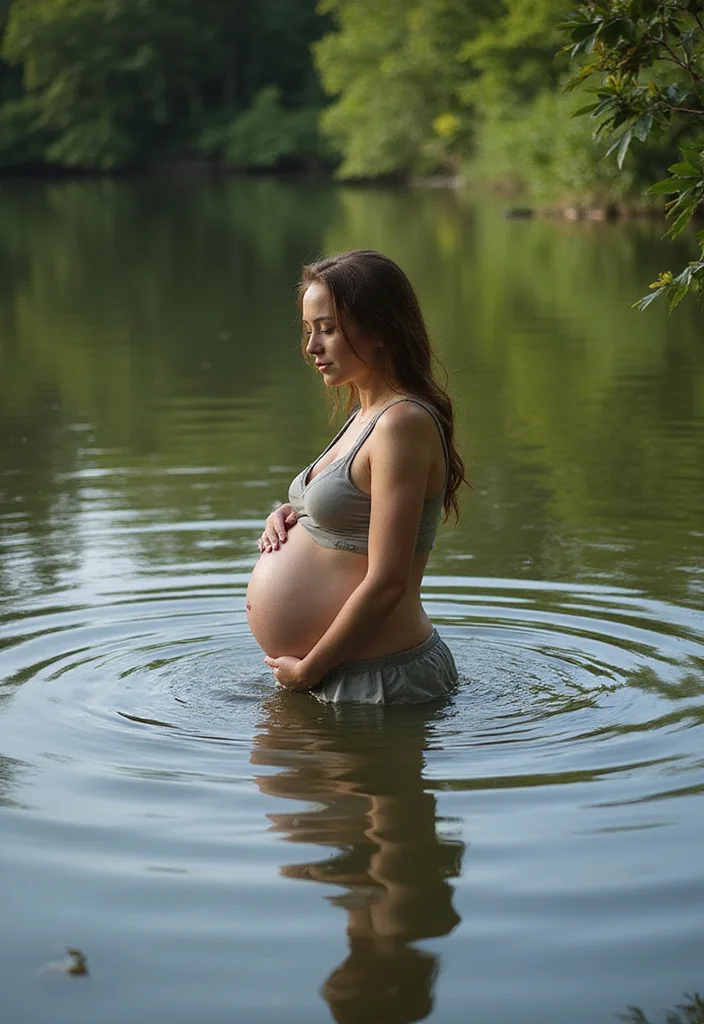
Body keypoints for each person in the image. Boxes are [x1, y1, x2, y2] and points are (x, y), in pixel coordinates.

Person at [245, 249, 466, 703]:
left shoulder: (400, 424)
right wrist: (295, 515)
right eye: (309, 331)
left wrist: (309, 670)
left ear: (380, 328)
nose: (312, 348)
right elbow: (356, 514)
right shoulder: (366, 414)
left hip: (377, 683)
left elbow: (388, 581)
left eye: (327, 330)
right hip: (337, 675)